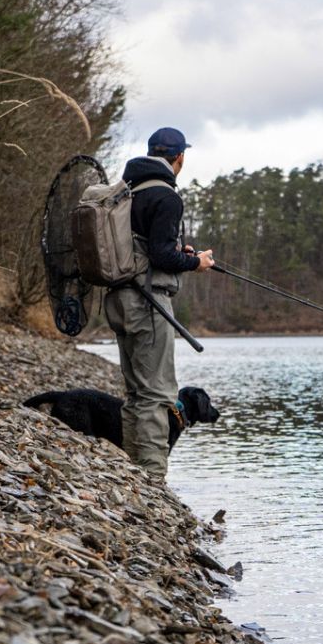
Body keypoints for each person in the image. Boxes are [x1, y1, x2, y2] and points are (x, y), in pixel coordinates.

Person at [104, 127, 214, 479]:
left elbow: (147, 247)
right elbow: (161, 254)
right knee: (156, 394)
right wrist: (196, 262)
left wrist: (176, 253)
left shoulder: (127, 190)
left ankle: (132, 472)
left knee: (136, 392)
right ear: (179, 157)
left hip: (119, 298)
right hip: (148, 303)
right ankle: (151, 478)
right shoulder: (166, 195)